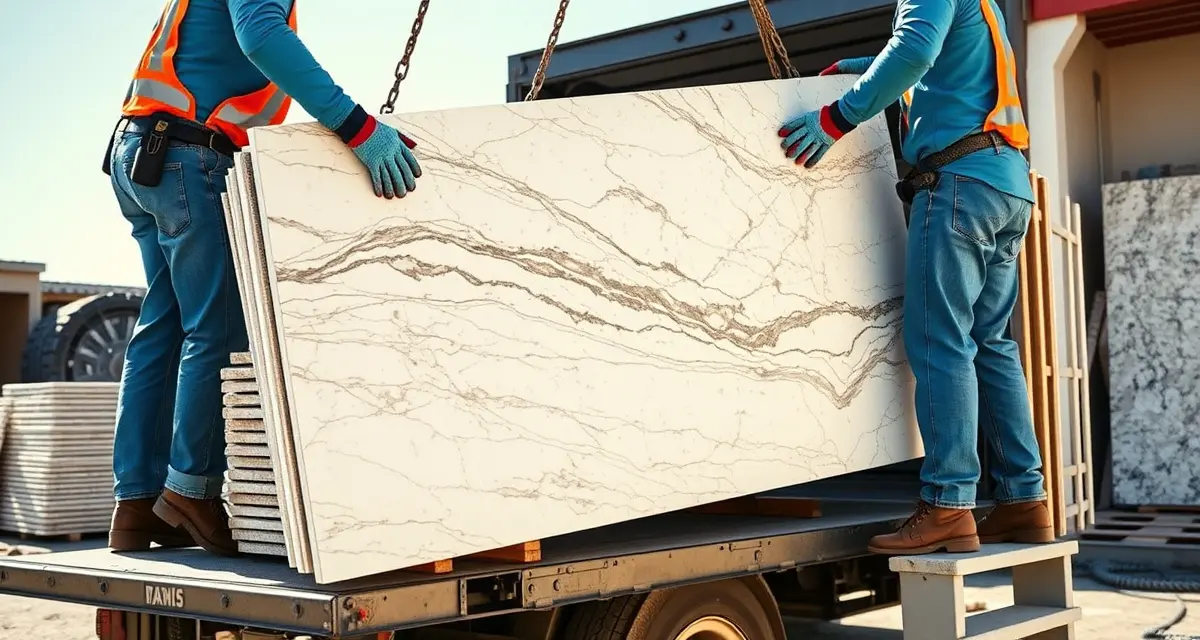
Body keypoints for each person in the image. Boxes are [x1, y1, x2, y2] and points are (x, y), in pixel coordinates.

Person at [103, 0, 422, 556]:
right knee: (218, 329)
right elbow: (262, 36)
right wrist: (357, 126)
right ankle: (190, 492)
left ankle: (136, 504)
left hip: (142, 151)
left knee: (164, 327)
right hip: (185, 155)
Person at [777, 0, 1053, 554]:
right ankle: (1025, 500)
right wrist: (861, 64)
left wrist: (835, 118)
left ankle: (950, 504)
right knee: (990, 345)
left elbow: (915, 51)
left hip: (957, 185)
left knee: (939, 343)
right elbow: (938, 61)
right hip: (1004, 184)